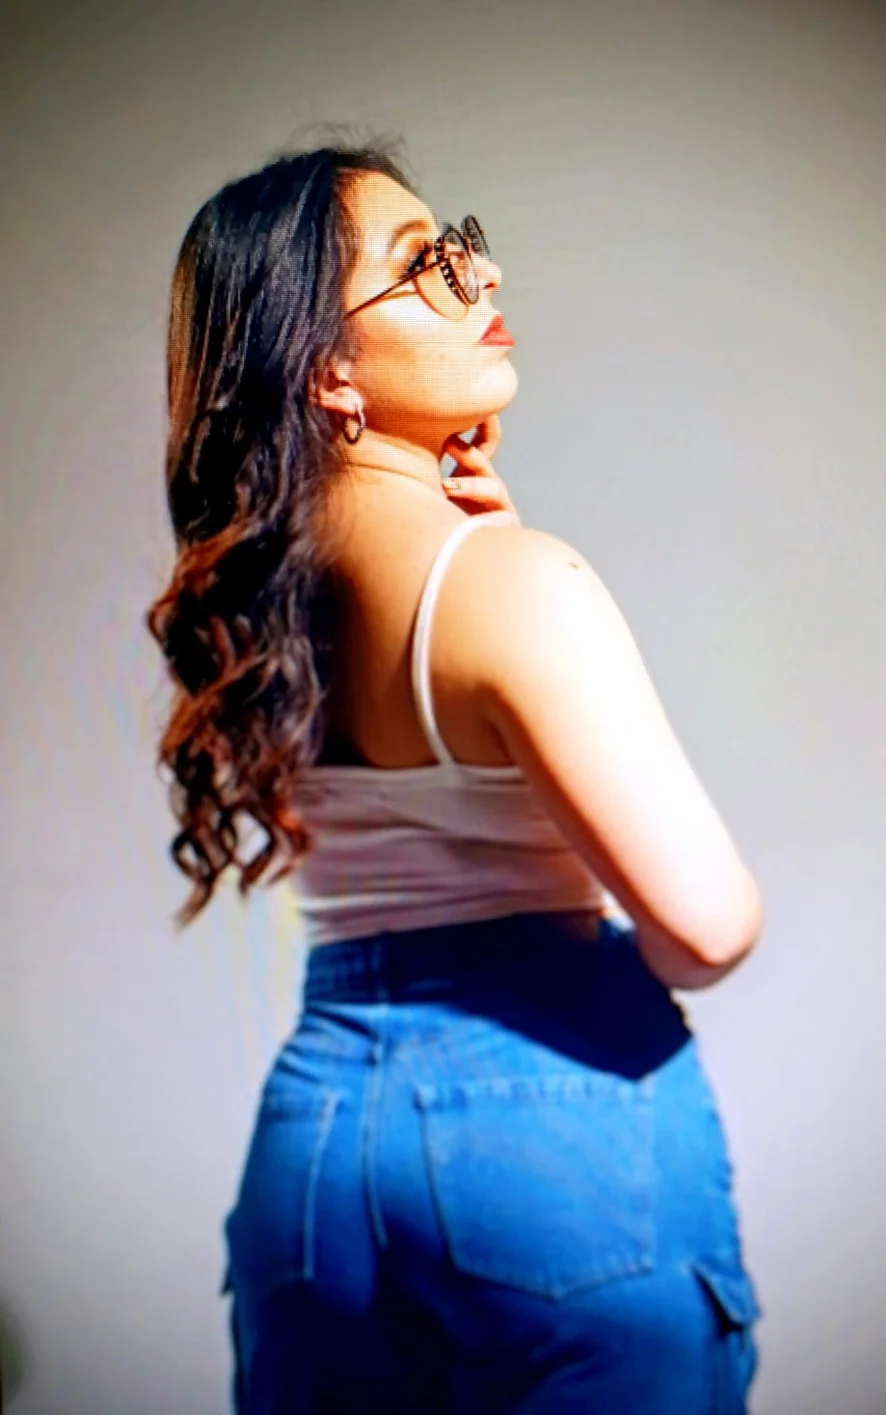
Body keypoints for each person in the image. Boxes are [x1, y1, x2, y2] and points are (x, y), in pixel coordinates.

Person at [147, 134, 765, 1413]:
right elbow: (707, 929)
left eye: (462, 245)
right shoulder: (513, 584)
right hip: (551, 1140)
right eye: (423, 263)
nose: (479, 277)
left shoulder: (260, 607)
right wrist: (514, 577)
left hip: (318, 1150)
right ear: (328, 367)